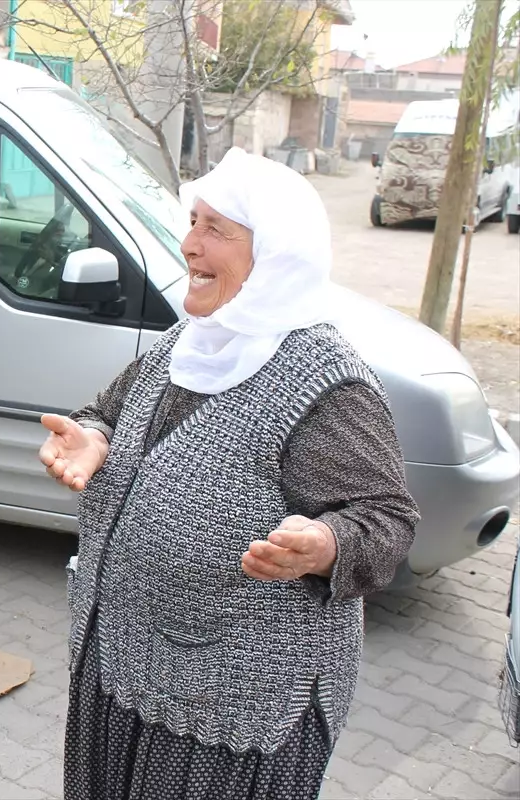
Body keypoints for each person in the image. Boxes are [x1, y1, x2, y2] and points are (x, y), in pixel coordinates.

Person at [39, 147, 421, 800]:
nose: (189, 244)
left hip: (228, 717)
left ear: (273, 254)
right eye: (193, 221)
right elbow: (106, 411)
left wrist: (326, 546)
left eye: (217, 230)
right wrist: (94, 439)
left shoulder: (324, 381)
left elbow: (388, 523)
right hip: (120, 664)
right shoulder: (189, 341)